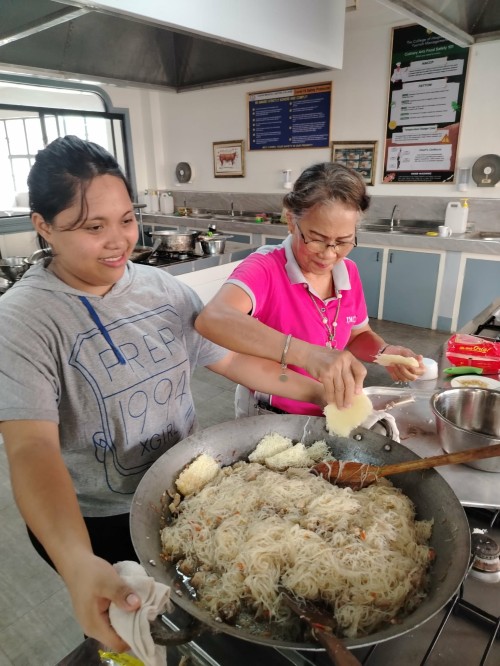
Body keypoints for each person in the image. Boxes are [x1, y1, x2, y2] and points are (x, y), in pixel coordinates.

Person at [0, 136, 326, 651]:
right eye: (93, 227)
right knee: (126, 633)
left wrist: (323, 393)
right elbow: (30, 448)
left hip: (183, 494)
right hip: (97, 523)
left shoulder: (162, 290)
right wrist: (78, 561)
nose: (119, 241)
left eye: (127, 219)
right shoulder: (23, 320)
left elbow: (232, 360)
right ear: (43, 226)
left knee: (194, 612)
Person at [195, 162, 424, 417]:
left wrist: (385, 352)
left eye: (343, 242)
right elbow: (212, 318)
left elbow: (357, 334)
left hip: (327, 410)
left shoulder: (348, 271)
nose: (329, 254)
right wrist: (307, 355)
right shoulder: (265, 268)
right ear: (291, 221)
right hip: (272, 413)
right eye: (316, 239)